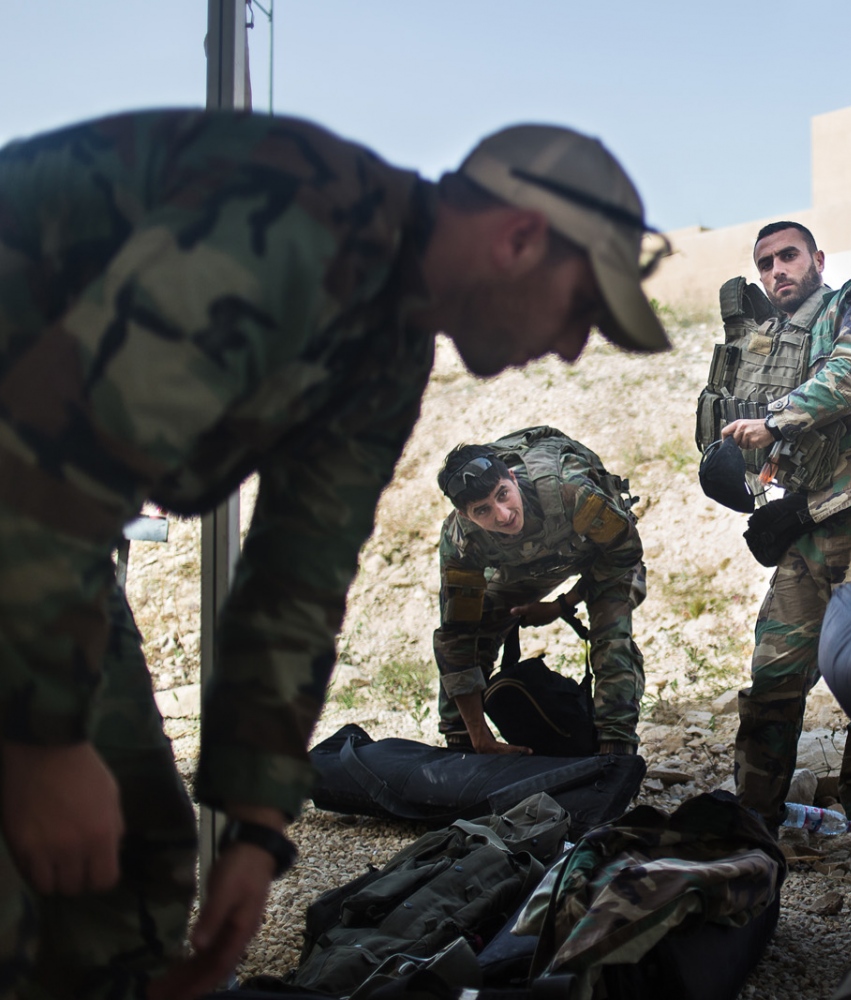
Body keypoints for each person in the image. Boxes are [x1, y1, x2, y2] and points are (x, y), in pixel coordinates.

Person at [0, 111, 669, 1000]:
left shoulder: (388, 350)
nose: (575, 345)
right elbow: (49, 457)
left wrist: (256, 822)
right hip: (28, 500)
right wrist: (43, 743)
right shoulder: (295, 220)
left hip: (43, 527)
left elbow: (297, 582)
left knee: (134, 875)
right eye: (582, 307)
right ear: (518, 238)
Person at [722, 220, 851, 831]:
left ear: (818, 259)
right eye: (765, 264)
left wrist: (775, 420)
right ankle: (755, 818)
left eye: (788, 256)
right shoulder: (780, 344)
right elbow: (782, 448)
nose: (776, 270)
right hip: (807, 524)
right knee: (774, 678)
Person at [432, 429, 646, 755]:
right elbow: (457, 636)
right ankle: (462, 749)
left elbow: (624, 552)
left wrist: (562, 604)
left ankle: (617, 750)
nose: (502, 515)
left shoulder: (570, 492)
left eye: (502, 495)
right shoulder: (461, 541)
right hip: (519, 567)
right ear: (466, 516)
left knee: (611, 637)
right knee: (469, 634)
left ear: (514, 480)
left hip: (597, 554)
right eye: (483, 510)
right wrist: (479, 737)